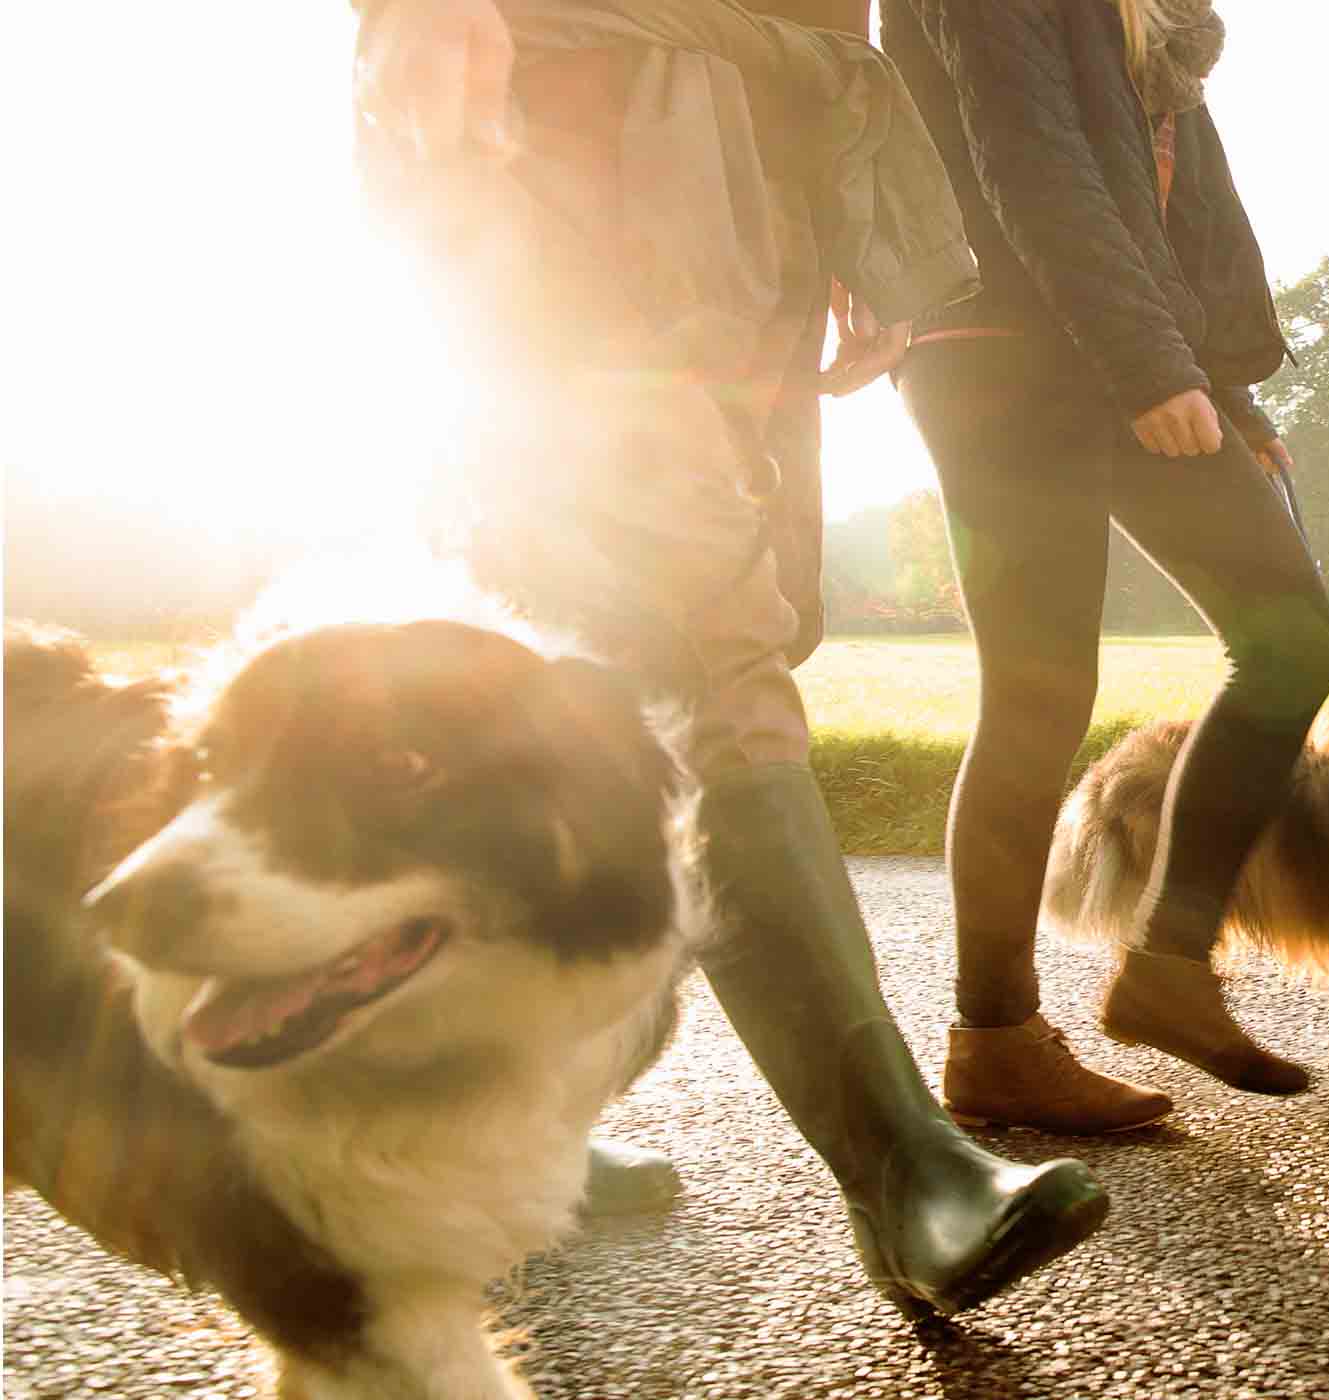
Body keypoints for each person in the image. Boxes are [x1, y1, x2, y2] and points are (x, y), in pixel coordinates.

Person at [348, 0, 1109, 1318]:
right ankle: (900, 1162)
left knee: (563, 684)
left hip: (739, 161)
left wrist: (821, 219)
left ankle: (484, 1130)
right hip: (569, 109)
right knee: (706, 655)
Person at [876, 0, 1329, 1133]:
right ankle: (1024, 1028)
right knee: (1089, 682)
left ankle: (1126, 983)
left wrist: (1224, 386)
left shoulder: (1156, 17)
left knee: (1260, 647)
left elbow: (1166, 198)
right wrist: (1150, 364)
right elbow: (1028, 155)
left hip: (1084, 339)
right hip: (1015, 347)